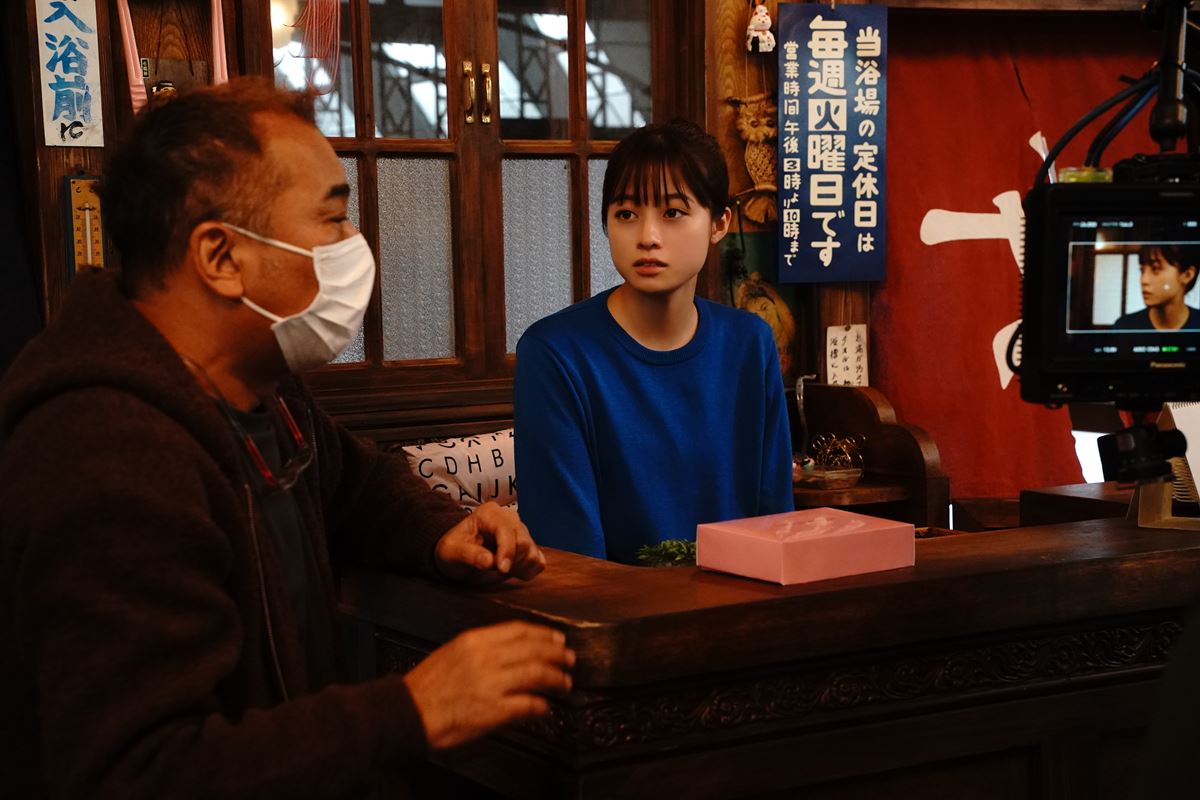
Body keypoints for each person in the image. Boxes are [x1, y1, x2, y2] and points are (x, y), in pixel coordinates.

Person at [0, 78, 574, 799]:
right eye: (332, 220)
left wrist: (441, 533)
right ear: (221, 257)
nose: (355, 246)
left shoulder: (257, 387)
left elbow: (354, 484)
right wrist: (413, 711)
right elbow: (140, 771)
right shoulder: (108, 452)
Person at [512, 120, 794, 564]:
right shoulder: (555, 353)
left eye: (673, 212)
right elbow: (570, 555)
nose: (647, 237)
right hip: (611, 602)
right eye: (626, 214)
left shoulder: (749, 343)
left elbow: (775, 520)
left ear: (719, 223)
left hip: (742, 597)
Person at [1112, 244, 1200, 330]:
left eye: (1155, 268)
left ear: (1187, 275)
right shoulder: (1125, 327)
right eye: (1142, 270)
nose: (1144, 280)